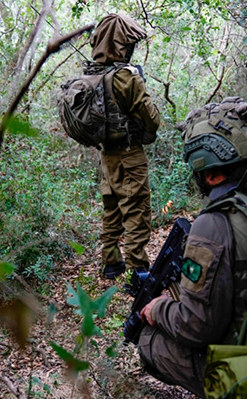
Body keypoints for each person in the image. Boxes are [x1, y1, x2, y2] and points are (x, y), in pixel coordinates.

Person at [137, 98, 247, 397]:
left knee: (148, 339)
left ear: (208, 174)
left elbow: (197, 327)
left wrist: (158, 308)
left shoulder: (213, 223)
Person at [86, 14, 161, 279]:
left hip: (107, 155)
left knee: (112, 207)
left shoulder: (92, 75)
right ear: (122, 45)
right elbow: (152, 118)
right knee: (136, 209)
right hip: (130, 153)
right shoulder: (126, 77)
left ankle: (111, 263)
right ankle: (138, 272)